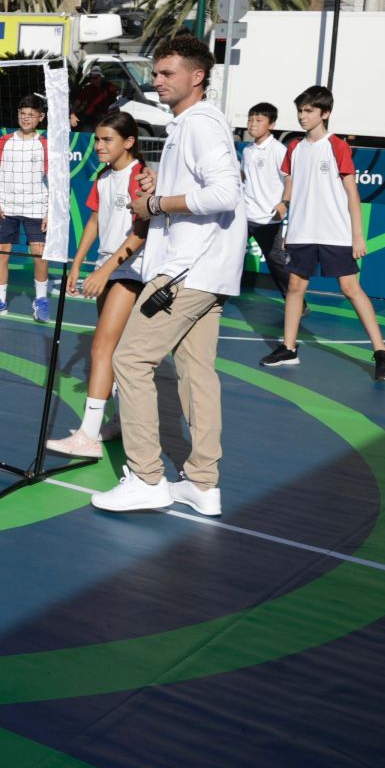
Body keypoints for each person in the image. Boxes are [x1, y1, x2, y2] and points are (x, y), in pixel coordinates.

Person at [93, 35, 242, 516]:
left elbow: (223, 194)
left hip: (185, 272)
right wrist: (164, 187)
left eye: (166, 73)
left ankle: (145, 477)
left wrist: (155, 203)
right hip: (209, 271)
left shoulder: (199, 124)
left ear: (196, 77)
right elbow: (201, 190)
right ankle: (202, 483)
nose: (156, 81)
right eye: (156, 73)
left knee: (131, 361)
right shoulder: (193, 123)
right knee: (197, 375)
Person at [259, 86, 385, 381]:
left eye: (309, 111)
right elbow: (291, 185)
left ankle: (383, 351)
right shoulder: (295, 148)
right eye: (300, 111)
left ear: (325, 113)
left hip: (335, 233)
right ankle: (288, 348)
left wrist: (357, 236)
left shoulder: (337, 147)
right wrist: (284, 204)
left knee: (350, 289)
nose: (302, 116)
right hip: (301, 231)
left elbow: (352, 194)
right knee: (295, 288)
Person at [47, 112, 151, 458]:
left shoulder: (140, 177)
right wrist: (77, 264)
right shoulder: (105, 177)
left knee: (101, 349)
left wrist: (105, 271)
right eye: (97, 139)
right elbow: (94, 219)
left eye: (108, 140)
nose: (99, 145)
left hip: (130, 272)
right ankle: (122, 421)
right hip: (105, 267)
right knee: (116, 350)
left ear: (129, 142)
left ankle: (88, 436)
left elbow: (141, 233)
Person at [0, 92, 53, 322]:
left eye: (31, 115)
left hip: (36, 208)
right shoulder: (4, 142)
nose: (25, 119)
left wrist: (50, 212)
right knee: (1, 255)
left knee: (40, 255)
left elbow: (55, 182)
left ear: (40, 118)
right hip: (7, 209)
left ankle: (41, 300)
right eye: (23, 114)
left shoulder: (44, 145)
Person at [239, 102, 295, 300]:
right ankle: (217, 297)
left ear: (271, 125)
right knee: (230, 257)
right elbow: (244, 177)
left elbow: (290, 179)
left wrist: (284, 203)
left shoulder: (279, 150)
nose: (253, 124)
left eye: (259, 120)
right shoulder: (247, 150)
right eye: (250, 119)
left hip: (268, 218)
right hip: (244, 216)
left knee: (276, 263)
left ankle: (296, 302)